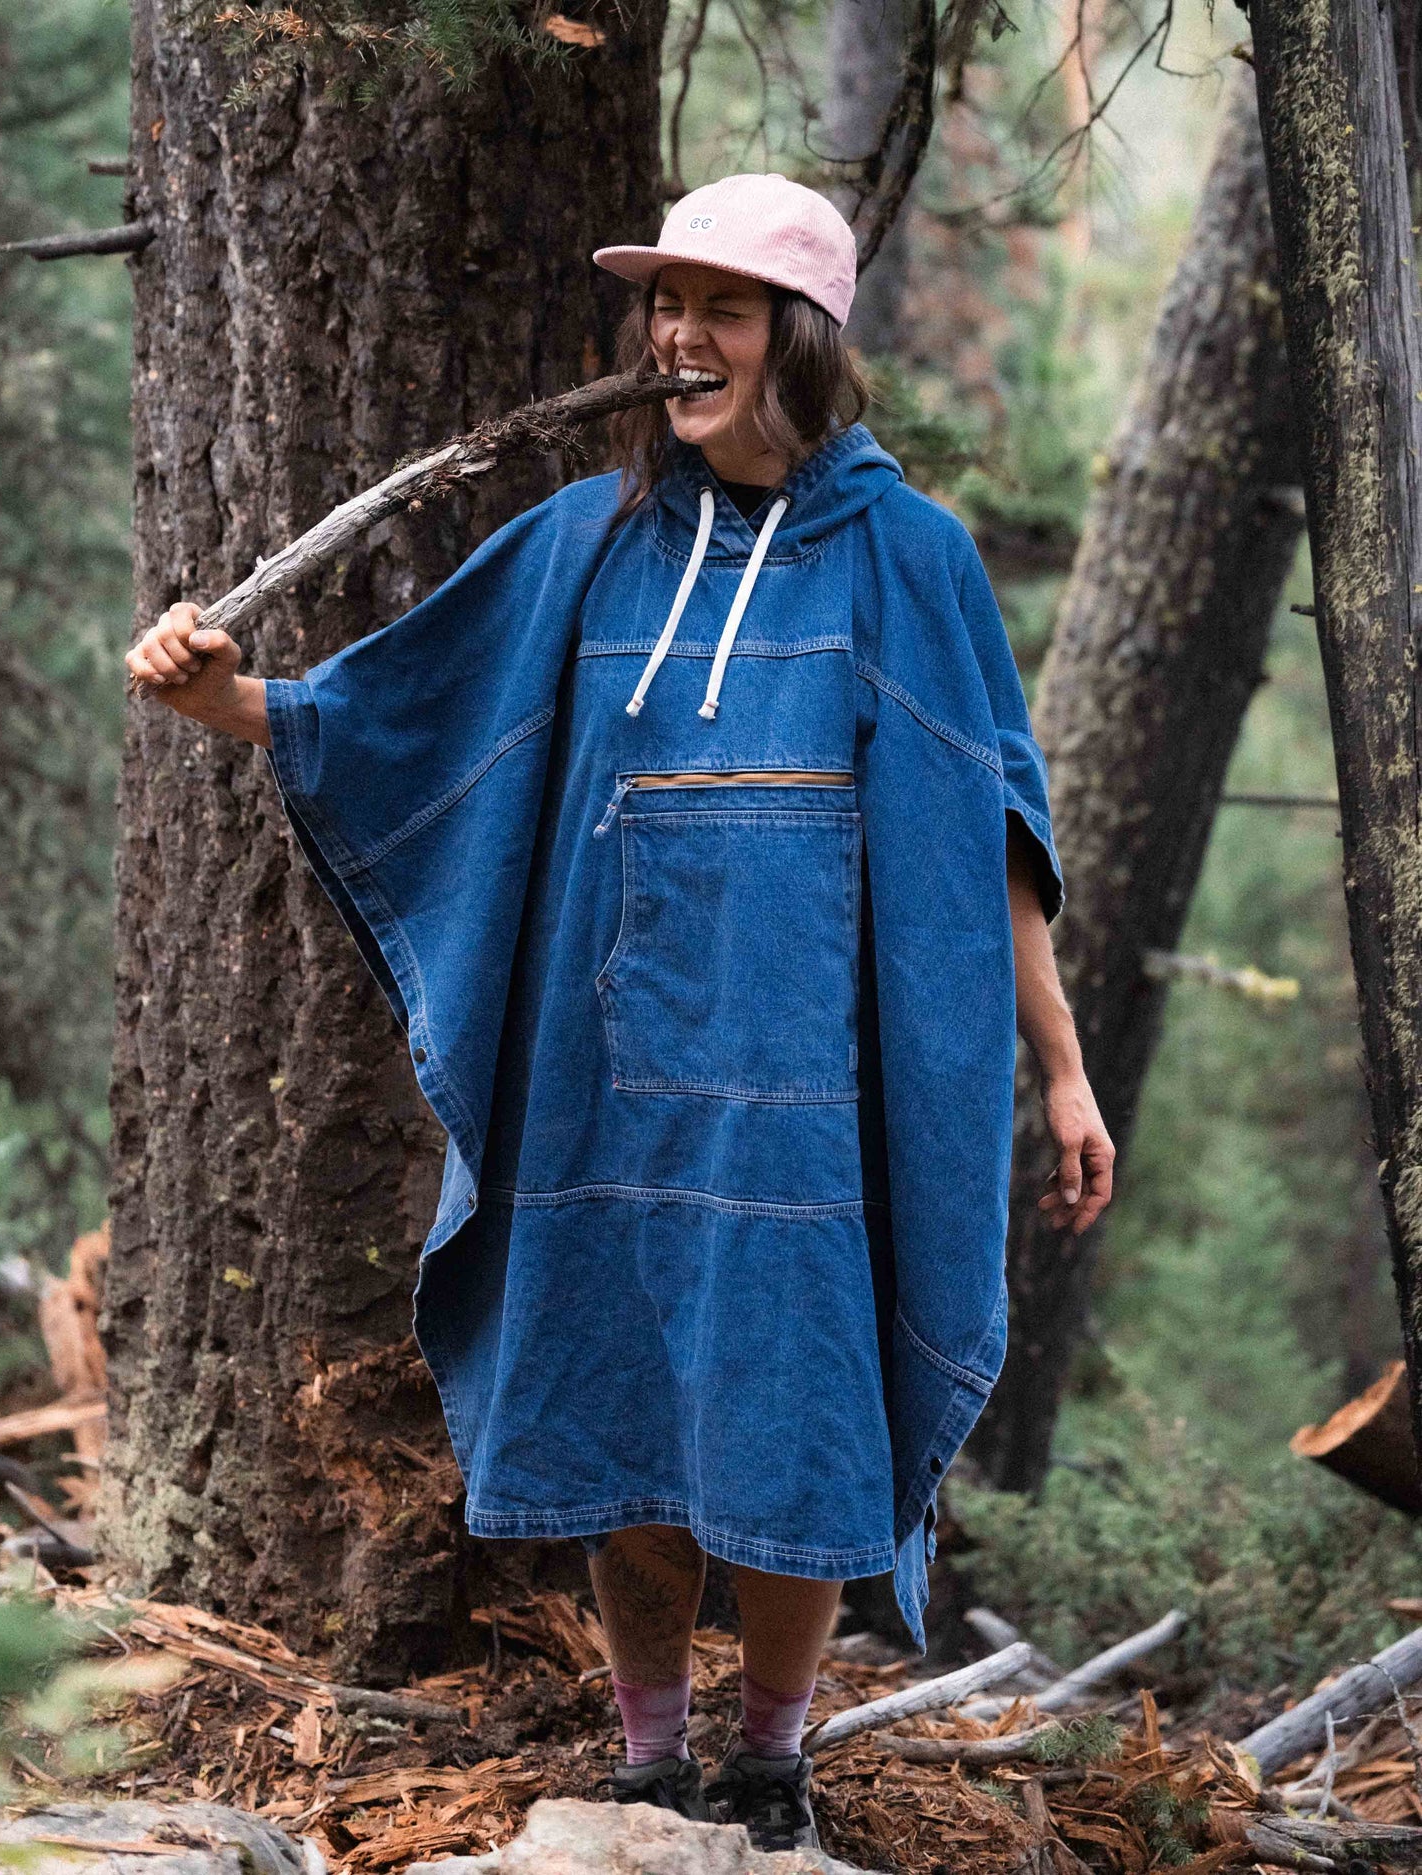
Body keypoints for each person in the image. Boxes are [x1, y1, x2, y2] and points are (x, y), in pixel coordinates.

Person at [126, 171, 1114, 1852]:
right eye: (665, 304)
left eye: (720, 307)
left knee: (805, 1409)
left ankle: (772, 1750)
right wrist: (230, 699)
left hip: (811, 1086)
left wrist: (1065, 1069)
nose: (677, 334)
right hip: (601, 1077)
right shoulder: (587, 543)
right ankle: (649, 1750)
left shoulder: (913, 562)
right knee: (617, 1394)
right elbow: (405, 721)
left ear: (799, 339)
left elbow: (988, 842)